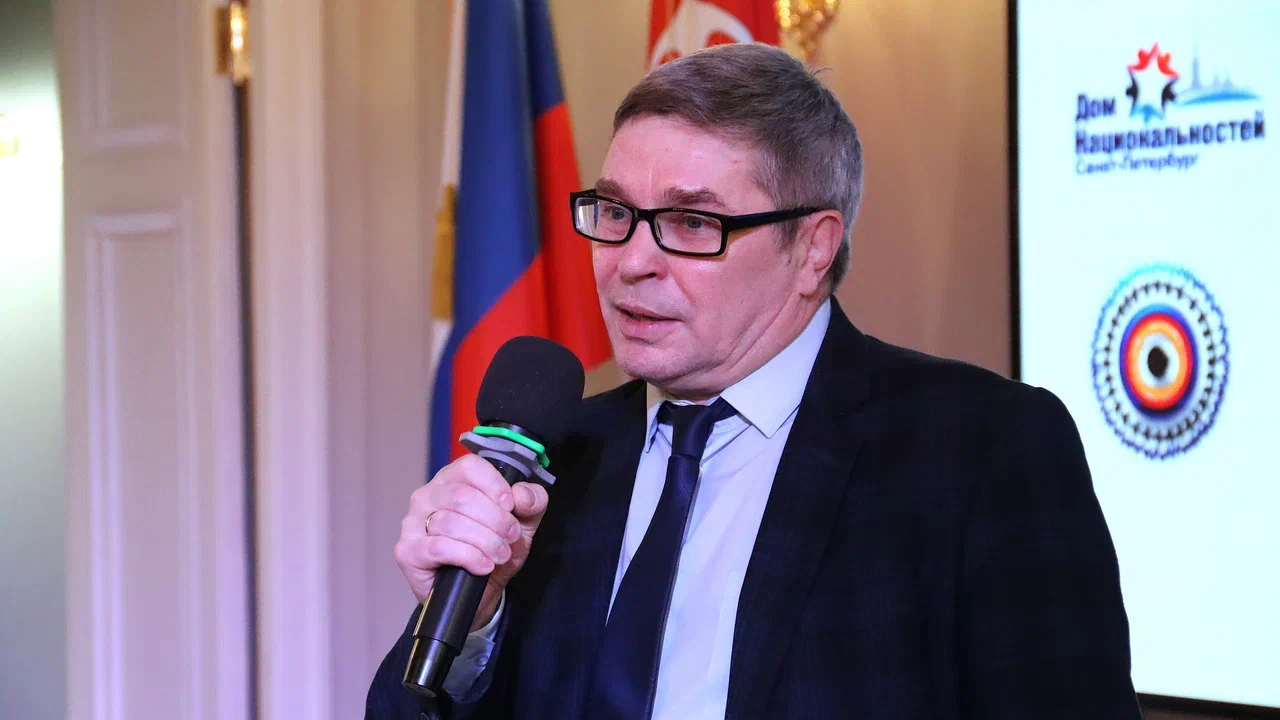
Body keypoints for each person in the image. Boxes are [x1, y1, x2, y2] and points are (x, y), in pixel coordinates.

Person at [367, 42, 1141, 720]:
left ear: (812, 249)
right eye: (615, 211)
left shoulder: (978, 451)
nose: (631, 262)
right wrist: (474, 622)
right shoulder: (558, 456)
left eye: (691, 223)